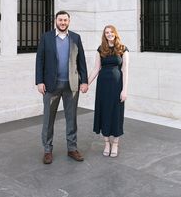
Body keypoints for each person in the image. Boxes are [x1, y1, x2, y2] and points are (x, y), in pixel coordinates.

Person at [36, 10, 88, 164]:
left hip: (71, 85)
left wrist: (84, 81)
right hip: (51, 86)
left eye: (65, 20)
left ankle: (72, 148)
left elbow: (81, 61)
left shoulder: (76, 38)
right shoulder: (46, 38)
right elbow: (40, 60)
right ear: (55, 21)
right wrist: (39, 81)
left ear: (69, 22)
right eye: (60, 20)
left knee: (71, 118)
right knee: (48, 119)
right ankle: (47, 150)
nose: (63, 23)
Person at [88, 25, 129, 158]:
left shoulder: (123, 49)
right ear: (104, 35)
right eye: (107, 32)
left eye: (111, 32)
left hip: (117, 86)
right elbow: (96, 68)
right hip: (103, 86)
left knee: (116, 113)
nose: (109, 34)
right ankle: (106, 143)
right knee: (104, 112)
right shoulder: (101, 49)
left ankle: (115, 143)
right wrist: (86, 83)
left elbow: (125, 71)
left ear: (115, 33)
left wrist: (124, 90)